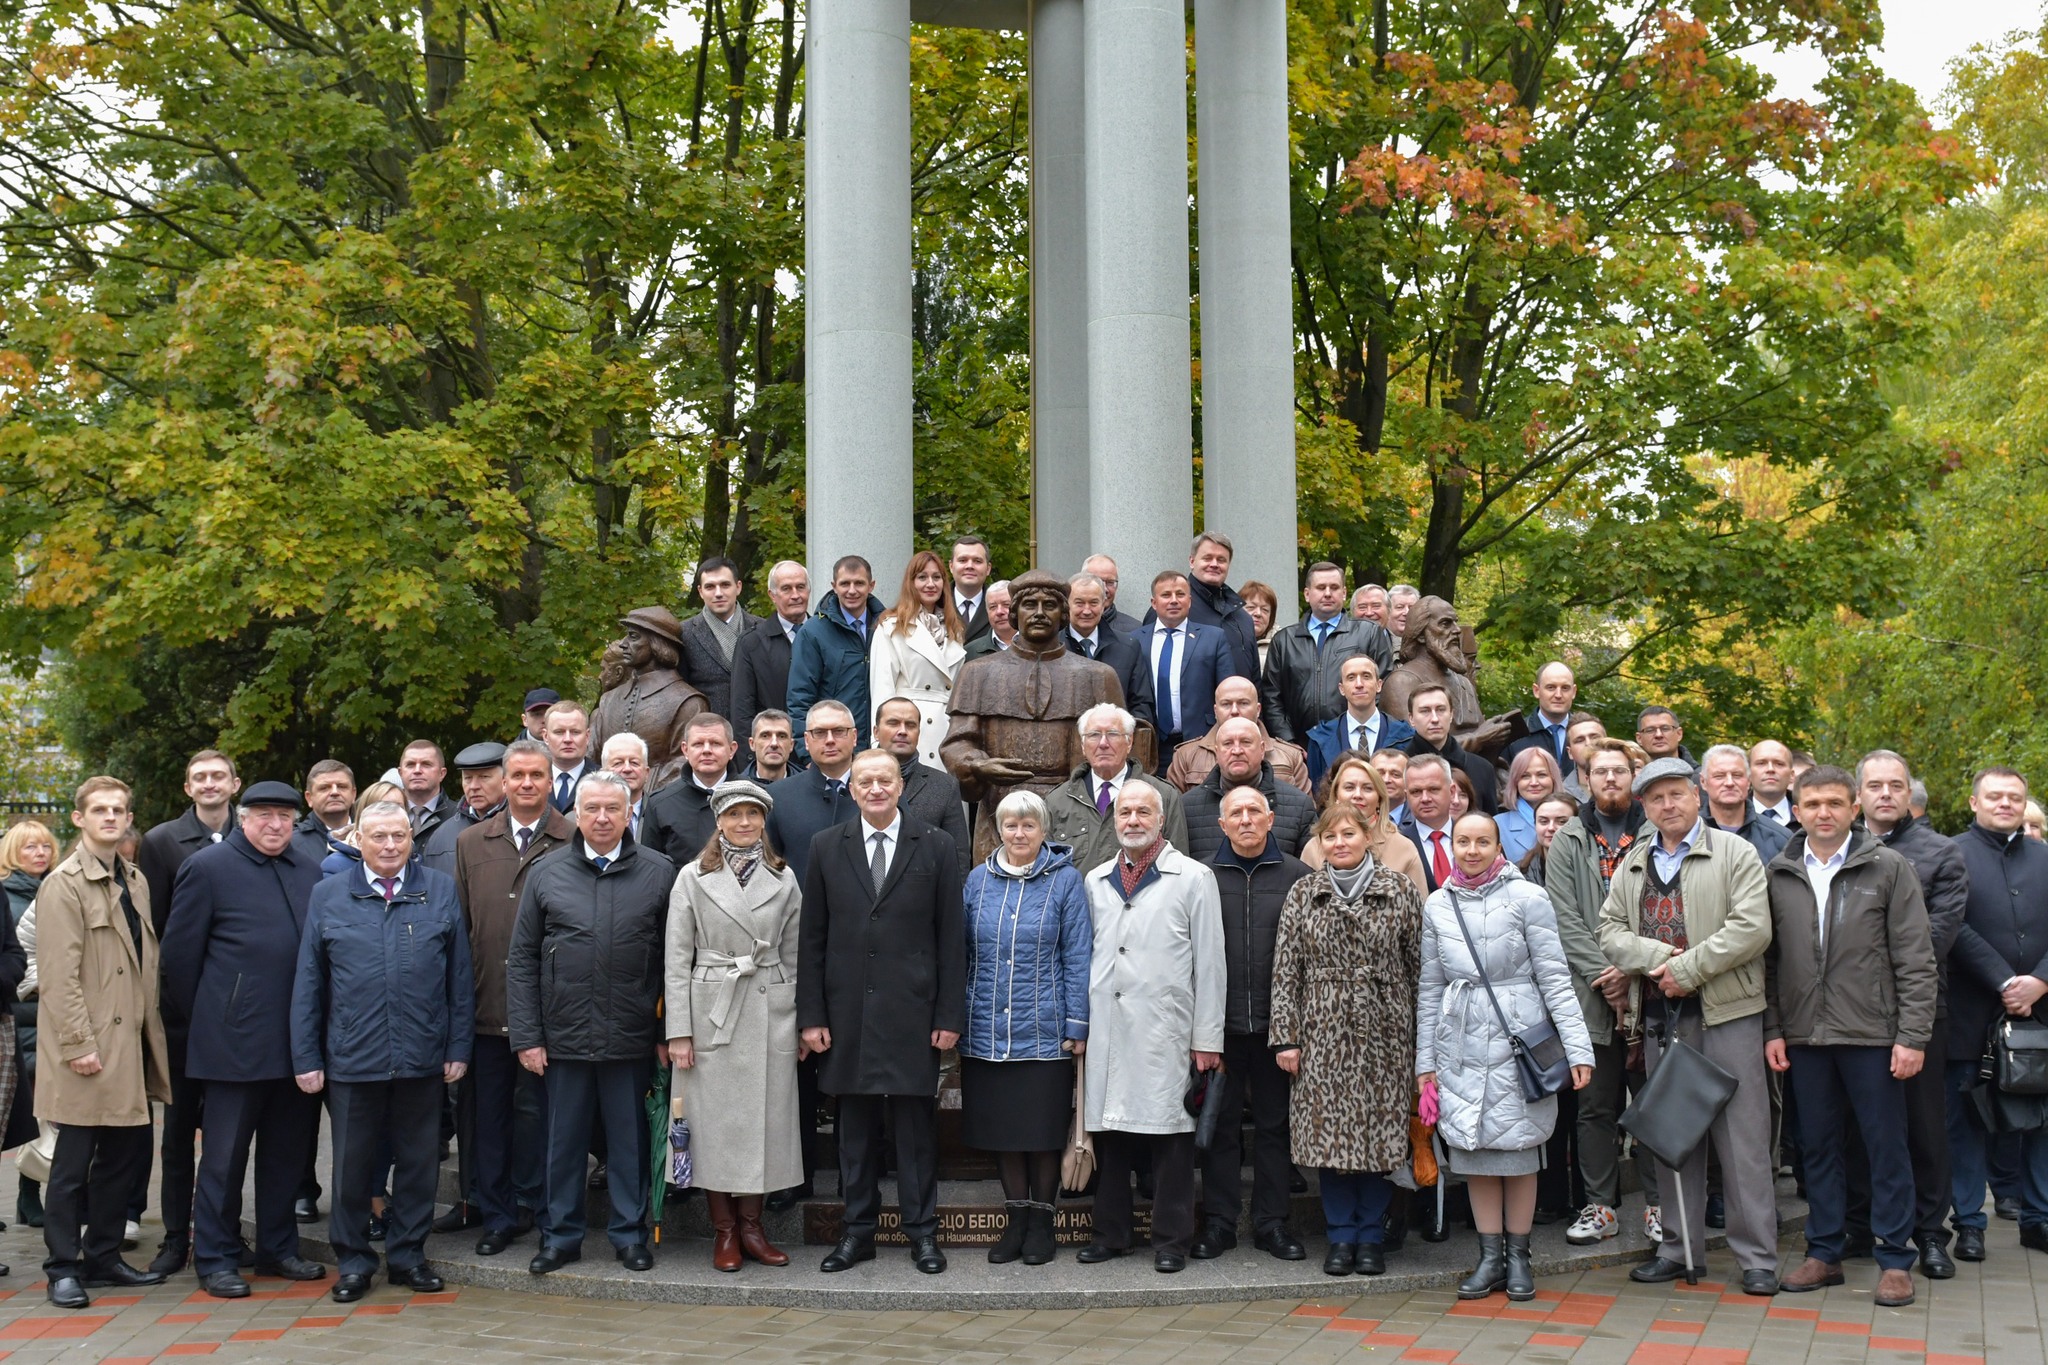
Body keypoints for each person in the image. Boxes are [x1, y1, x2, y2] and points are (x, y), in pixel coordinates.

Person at [1597, 758, 1780, 1296]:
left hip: (1728, 1014)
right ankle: (1677, 1249)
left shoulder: (1734, 852)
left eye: (1676, 794)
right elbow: (1609, 930)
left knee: (1742, 1141)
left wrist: (1686, 969)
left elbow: (1753, 928)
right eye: (1655, 799)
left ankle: (1757, 1258)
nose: (1667, 805)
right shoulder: (1633, 862)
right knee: (1674, 1138)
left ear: (1696, 795)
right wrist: (1659, 958)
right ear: (1644, 807)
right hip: (1662, 1020)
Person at [1761, 765, 1935, 1307]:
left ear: (1854, 808)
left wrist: (1912, 1036)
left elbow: (1916, 957)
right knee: (1818, 1149)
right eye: (1812, 805)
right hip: (1804, 1035)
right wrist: (1773, 1029)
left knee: (1885, 1146)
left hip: (1874, 1034)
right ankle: (1824, 1252)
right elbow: (1767, 962)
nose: (1824, 814)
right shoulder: (1779, 870)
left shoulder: (1887, 866)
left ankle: (1894, 1258)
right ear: (1796, 809)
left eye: (1835, 803)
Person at [291, 801, 474, 1303]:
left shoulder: (438, 890)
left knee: (418, 1165)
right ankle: (353, 1262)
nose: (390, 846)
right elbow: (310, 982)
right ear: (359, 841)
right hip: (353, 1057)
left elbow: (460, 977)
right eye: (379, 837)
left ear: (411, 839)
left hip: (422, 1055)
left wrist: (458, 1045)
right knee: (352, 1166)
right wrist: (306, 1057)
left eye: (399, 836)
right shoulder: (329, 895)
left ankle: (409, 1257)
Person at [799, 751, 965, 1276]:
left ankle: (922, 1235)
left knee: (915, 1133)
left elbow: (951, 939)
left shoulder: (935, 847)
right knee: (854, 1132)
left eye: (884, 780)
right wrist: (812, 1016)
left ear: (900, 787)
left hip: (914, 1014)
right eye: (865, 780)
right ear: (853, 789)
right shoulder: (826, 847)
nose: (875, 788)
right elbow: (813, 939)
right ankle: (857, 1234)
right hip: (847, 1015)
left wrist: (948, 1015)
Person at [161, 781, 328, 1298]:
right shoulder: (208, 869)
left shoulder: (309, 869)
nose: (275, 825)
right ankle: (215, 1256)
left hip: (296, 1044)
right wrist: (215, 1020)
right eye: (263, 815)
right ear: (242, 816)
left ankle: (279, 1248)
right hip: (230, 1045)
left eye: (284, 816)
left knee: (285, 1154)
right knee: (224, 1158)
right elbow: (178, 964)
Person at [1417, 813, 1594, 1302]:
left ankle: (1519, 1256)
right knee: (1475, 1155)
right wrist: (1425, 1063)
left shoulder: (1528, 898)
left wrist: (1578, 1048)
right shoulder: (1438, 904)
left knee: (1519, 1152)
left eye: (1482, 841)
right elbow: (1430, 987)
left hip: (1519, 1039)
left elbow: (1555, 977)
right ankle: (1489, 1257)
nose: (1471, 850)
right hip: (1460, 1042)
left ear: (1499, 846)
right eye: (1463, 841)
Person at [506, 770, 672, 1276]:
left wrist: (667, 1035)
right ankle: (560, 1238)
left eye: (612, 809)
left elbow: (674, 961)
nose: (602, 818)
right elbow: (522, 959)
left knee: (629, 1145)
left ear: (628, 814)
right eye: (592, 808)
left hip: (631, 1038)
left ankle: (629, 1235)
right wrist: (528, 1037)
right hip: (563, 1041)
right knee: (563, 1146)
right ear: (577, 813)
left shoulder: (660, 872)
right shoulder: (547, 872)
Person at [1271, 799, 1426, 1276]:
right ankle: (1340, 1237)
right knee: (1329, 1140)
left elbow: (1421, 969)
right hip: (1322, 1032)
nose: (1339, 844)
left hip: (1387, 1032)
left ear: (1368, 837)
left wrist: (1425, 1044)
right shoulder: (1303, 893)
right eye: (1330, 837)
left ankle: (1371, 1237)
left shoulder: (1399, 889)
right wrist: (1286, 1038)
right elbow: (1285, 970)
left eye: (1349, 835)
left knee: (1380, 1138)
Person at [1078, 783, 1225, 1273]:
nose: (1134, 819)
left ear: (1161, 820)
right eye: (1125, 811)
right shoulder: (1097, 878)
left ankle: (1170, 1240)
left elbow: (1211, 964)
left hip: (1168, 1029)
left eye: (1144, 811)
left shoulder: (1194, 877)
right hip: (1110, 1025)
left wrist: (1207, 1039)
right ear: (1115, 819)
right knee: (1112, 1134)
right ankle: (1110, 1234)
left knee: (1171, 1139)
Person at [34, 776, 169, 1309]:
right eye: (100, 810)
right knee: (72, 1164)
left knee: (124, 1157)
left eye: (118, 809)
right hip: (87, 1048)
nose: (111, 817)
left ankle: (104, 1256)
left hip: (131, 1044)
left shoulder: (133, 879)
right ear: (79, 819)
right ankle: (62, 1267)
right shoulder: (63, 884)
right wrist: (77, 1045)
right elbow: (57, 976)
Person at [665, 780, 802, 1274]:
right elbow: (676, 960)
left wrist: (794, 1020)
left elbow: (794, 956)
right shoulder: (692, 877)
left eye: (753, 814)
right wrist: (679, 1032)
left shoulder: (784, 878)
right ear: (718, 820)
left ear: (764, 821)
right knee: (712, 1127)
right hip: (710, 1014)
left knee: (764, 1125)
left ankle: (753, 1227)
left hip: (768, 1011)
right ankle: (723, 1231)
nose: (743, 823)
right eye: (733, 814)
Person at [452, 738, 573, 1257]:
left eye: (536, 776)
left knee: (544, 1122)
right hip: (485, 1007)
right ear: (503, 782)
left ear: (551, 781)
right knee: (490, 1121)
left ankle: (546, 1213)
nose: (526, 784)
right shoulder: (471, 842)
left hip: (550, 1014)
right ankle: (498, 1216)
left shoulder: (573, 838)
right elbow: (460, 929)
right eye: (517, 775)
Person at [960, 790, 1091, 1266]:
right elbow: (965, 953)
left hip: (1046, 1030)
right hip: (986, 1031)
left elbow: (1078, 955)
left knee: (1040, 1133)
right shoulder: (978, 880)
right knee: (1003, 1133)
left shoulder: (1066, 881)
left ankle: (1042, 1222)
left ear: (1043, 831)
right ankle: (1015, 1221)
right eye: (1010, 826)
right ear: (999, 830)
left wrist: (1078, 1023)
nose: (1019, 834)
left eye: (1028, 826)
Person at [1850, 750, 1967, 1277]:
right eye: (1875, 785)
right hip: (1847, 1012)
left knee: (1924, 1126)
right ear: (1860, 794)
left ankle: (1928, 1233)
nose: (1885, 794)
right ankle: (1859, 1224)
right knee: (1856, 1124)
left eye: (1895, 785)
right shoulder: (1833, 846)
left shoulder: (1941, 854)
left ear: (1909, 793)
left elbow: (1937, 935)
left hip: (1920, 1009)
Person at [941, 571, 1126, 862]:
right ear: (1014, 613)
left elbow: (1119, 749)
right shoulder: (978, 672)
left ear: (1063, 614)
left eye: (1049, 605)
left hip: (1077, 810)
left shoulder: (1098, 677)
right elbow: (957, 743)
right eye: (1029, 604)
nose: (1039, 613)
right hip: (1000, 807)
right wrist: (979, 765)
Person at [1198, 786, 1310, 1263]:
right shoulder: (1201, 877)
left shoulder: (1298, 876)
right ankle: (1219, 1223)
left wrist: (1297, 1030)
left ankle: (1272, 1223)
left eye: (1253, 812)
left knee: (1274, 1127)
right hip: (1218, 1027)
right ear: (1222, 824)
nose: (1245, 820)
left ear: (1270, 819)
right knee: (1220, 1129)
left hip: (1277, 1028)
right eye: (1235, 813)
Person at [1546, 738, 1648, 1248]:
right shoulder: (1567, 839)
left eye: (1619, 771)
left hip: (1653, 992)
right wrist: (1607, 977)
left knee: (1653, 1102)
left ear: (1634, 777)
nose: (1610, 779)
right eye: (1600, 771)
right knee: (1595, 1107)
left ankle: (1658, 1205)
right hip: (1591, 995)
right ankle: (1600, 1205)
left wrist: (1632, 973)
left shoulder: (1655, 834)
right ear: (1584, 779)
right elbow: (1564, 918)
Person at [762, 700, 861, 1208]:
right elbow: (770, 869)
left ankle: (853, 1178)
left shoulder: (872, 789)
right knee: (794, 1071)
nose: (827, 741)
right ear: (804, 740)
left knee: (850, 1070)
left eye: (837, 732)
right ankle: (793, 1178)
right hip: (793, 952)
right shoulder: (779, 798)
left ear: (853, 736)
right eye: (817, 732)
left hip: (859, 954)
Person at [1947, 767, 2048, 1261]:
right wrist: (2005, 980)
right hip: (1971, 1013)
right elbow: (1950, 924)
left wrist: (2040, 981)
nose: (2005, 803)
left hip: (2041, 1013)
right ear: (1973, 802)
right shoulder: (1951, 855)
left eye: (2014, 797)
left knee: (2042, 1120)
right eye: (1995, 796)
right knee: (1966, 1121)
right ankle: (1968, 1223)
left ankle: (2039, 1218)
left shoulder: (2045, 858)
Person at [1259, 562, 1396, 748]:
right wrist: (1289, 742)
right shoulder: (1284, 641)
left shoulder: (1368, 634)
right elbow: (1271, 696)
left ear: (1344, 593)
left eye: (1334, 587)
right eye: (1321, 587)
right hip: (1299, 747)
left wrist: (1361, 734)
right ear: (1307, 594)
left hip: (1355, 743)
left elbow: (1384, 687)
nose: (1328, 593)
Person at [1044, 704, 1190, 874]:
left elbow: (1179, 868)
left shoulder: (1164, 796)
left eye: (1112, 734)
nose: (1103, 743)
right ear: (1083, 745)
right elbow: (1047, 873)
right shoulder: (1057, 801)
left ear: (1129, 742)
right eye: (1094, 735)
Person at [588, 608, 710, 787]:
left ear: (656, 643)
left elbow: (683, 763)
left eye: (633, 636)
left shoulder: (688, 702)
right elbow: (590, 757)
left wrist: (640, 795)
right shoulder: (609, 700)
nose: (623, 644)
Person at [868, 550, 968, 768]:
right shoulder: (891, 627)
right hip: (906, 731)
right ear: (910, 583)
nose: (930, 584)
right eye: (922, 577)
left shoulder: (955, 630)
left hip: (946, 733)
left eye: (937, 577)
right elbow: (882, 689)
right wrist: (879, 744)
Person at [1132, 570, 1239, 771]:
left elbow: (1228, 691)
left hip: (1201, 742)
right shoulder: (1134, 641)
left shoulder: (1213, 638)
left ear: (1189, 601)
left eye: (1180, 594)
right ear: (1154, 603)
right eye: (1166, 595)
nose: (1174, 600)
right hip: (1150, 745)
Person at [1, 821, 53, 1217]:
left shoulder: (59, 888)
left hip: (49, 1019)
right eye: (29, 846)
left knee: (44, 1115)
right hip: (22, 1019)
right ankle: (26, 1196)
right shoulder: (9, 894)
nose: (40, 853)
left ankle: (31, 1193)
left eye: (45, 846)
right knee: (30, 1112)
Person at [1181, 718, 1318, 861]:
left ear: (1262, 749)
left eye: (1246, 742)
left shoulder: (1299, 805)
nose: (1237, 751)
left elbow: (1310, 871)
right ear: (1216, 752)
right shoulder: (1187, 807)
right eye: (1228, 744)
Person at [787, 555, 884, 754]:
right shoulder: (813, 632)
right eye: (844, 583)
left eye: (859, 583)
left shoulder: (887, 626)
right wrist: (805, 754)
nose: (852, 590)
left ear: (871, 585)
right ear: (834, 586)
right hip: (833, 749)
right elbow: (799, 698)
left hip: (879, 748)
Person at [1164, 675, 1315, 794]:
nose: (1235, 711)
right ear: (1215, 711)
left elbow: (1305, 815)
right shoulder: (1186, 757)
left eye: (1243, 703)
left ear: (1258, 709)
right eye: (1226, 704)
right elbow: (1174, 816)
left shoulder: (1290, 756)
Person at [873, 697, 973, 876]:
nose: (902, 731)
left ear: (919, 733)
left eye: (910, 725)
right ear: (876, 732)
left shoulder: (945, 786)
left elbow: (958, 859)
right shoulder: (857, 781)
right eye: (893, 723)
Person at [1302, 753, 1428, 895]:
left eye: (1367, 788)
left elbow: (1417, 909)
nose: (1358, 795)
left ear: (1379, 799)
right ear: (1336, 795)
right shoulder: (1314, 847)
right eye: (1349, 787)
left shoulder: (1404, 848)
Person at [642, 714, 742, 865]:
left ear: (732, 749)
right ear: (685, 750)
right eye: (698, 744)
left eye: (715, 743)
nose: (707, 750)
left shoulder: (757, 797)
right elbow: (651, 869)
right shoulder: (661, 804)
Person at [730, 560, 810, 744]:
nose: (795, 595)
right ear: (772, 595)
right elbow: (742, 712)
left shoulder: (824, 636)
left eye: (800, 587)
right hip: (771, 753)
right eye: (786, 589)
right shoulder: (751, 643)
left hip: (819, 753)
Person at [1064, 572, 1156, 732]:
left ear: (1103, 604)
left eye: (1093, 603)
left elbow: (1141, 705)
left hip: (1115, 746)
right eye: (1079, 603)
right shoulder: (1054, 648)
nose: (1087, 611)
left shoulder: (1128, 647)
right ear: (1066, 604)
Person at [1303, 654, 1414, 787]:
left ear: (1379, 685)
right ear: (1342, 689)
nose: (1359, 684)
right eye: (1351, 678)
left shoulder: (1406, 736)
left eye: (1366, 676)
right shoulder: (1320, 739)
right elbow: (1318, 794)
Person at [677, 556, 758, 723]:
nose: (718, 593)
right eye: (710, 587)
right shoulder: (684, 634)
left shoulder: (762, 629)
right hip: (707, 733)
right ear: (700, 591)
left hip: (755, 732)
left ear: (738, 587)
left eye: (725, 585)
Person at [1403, 684, 1498, 815]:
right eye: (1425, 711)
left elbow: (1490, 826)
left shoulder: (1482, 768)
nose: (1435, 719)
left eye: (1441, 710)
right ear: (1411, 718)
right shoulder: (1398, 770)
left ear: (1452, 714)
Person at [1180, 532, 1262, 682]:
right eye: (1207, 558)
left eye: (1221, 560)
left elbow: (1254, 678)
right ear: (1192, 561)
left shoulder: (1242, 618)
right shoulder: (1175, 609)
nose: (1214, 564)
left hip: (1238, 704)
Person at [420, 742, 507, 877]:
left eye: (484, 777)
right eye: (467, 778)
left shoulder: (524, 827)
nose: (473, 786)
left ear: (506, 780)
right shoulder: (441, 836)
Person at [1700, 745, 1791, 865]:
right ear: (1703, 782)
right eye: (1719, 776)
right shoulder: (1688, 833)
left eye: (1737, 775)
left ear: (1749, 781)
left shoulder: (1781, 838)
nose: (1729, 783)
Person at [1397, 755, 1459, 894]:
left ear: (1452, 791)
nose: (1425, 798)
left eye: (1433, 789)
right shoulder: (1397, 845)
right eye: (1416, 792)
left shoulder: (1476, 837)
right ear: (1406, 796)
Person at [1502, 663, 1580, 773]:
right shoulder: (1514, 736)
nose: (1558, 695)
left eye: (1565, 688)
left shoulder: (1587, 736)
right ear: (1536, 691)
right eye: (1551, 687)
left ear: (1574, 692)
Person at [1498, 748, 1565, 863]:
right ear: (1515, 782)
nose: (1534, 783)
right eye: (1525, 776)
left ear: (1554, 779)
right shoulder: (1497, 825)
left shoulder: (1573, 820)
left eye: (1542, 775)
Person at [543, 701, 594, 814]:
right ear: (546, 737)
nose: (567, 739)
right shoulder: (530, 779)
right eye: (559, 732)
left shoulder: (604, 779)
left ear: (587, 736)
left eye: (575, 732)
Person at [397, 741, 456, 839]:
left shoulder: (458, 818)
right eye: (410, 764)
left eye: (426, 764)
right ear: (400, 773)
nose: (417, 770)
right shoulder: (382, 815)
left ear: (442, 774)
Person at [298, 760, 357, 857]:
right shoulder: (292, 844)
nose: (334, 792)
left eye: (342, 786)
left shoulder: (372, 837)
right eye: (324, 788)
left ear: (353, 794)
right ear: (309, 798)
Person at [1518, 795, 1579, 884]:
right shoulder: (1519, 872)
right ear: (1535, 825)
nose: (1551, 828)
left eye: (1561, 821)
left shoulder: (1594, 867)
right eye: (1543, 821)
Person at [603, 732, 652, 842]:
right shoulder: (583, 818)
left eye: (634, 763)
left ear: (647, 773)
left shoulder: (662, 814)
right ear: (603, 773)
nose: (627, 769)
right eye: (618, 763)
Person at [950, 535, 996, 643]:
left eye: (977, 561)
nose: (969, 566)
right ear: (951, 566)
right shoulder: (935, 603)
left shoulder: (1003, 607)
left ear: (988, 569)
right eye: (962, 560)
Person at [1082, 553, 1142, 636]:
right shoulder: (1063, 627)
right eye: (1098, 582)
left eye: (1110, 582)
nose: (1105, 589)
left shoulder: (1135, 631)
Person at [1749, 741, 1798, 829]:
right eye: (1761, 763)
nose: (1770, 769)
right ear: (1748, 774)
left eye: (1779, 764)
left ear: (1792, 775)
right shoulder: (1734, 817)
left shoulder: (1807, 816)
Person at [741, 709, 798, 784]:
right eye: (765, 736)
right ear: (752, 744)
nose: (774, 744)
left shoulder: (806, 788)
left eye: (781, 736)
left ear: (791, 745)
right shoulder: (735, 791)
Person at [963, 580, 1015, 658]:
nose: (999, 612)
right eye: (993, 607)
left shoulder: (1036, 646)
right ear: (987, 611)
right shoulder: (970, 653)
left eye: (1006, 605)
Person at [1563, 714, 1608, 803]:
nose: (1588, 743)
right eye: (1579, 740)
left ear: (1607, 743)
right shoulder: (1560, 796)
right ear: (1570, 753)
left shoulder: (1630, 786)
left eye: (1594, 737)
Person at [1240, 580, 1279, 672]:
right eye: (1251, 607)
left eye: (1265, 610)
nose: (1258, 613)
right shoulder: (1225, 640)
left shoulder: (1281, 645)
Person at [1371, 748, 1410, 824]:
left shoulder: (1421, 819)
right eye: (1380, 774)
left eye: (1395, 775)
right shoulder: (1356, 818)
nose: (1386, 780)